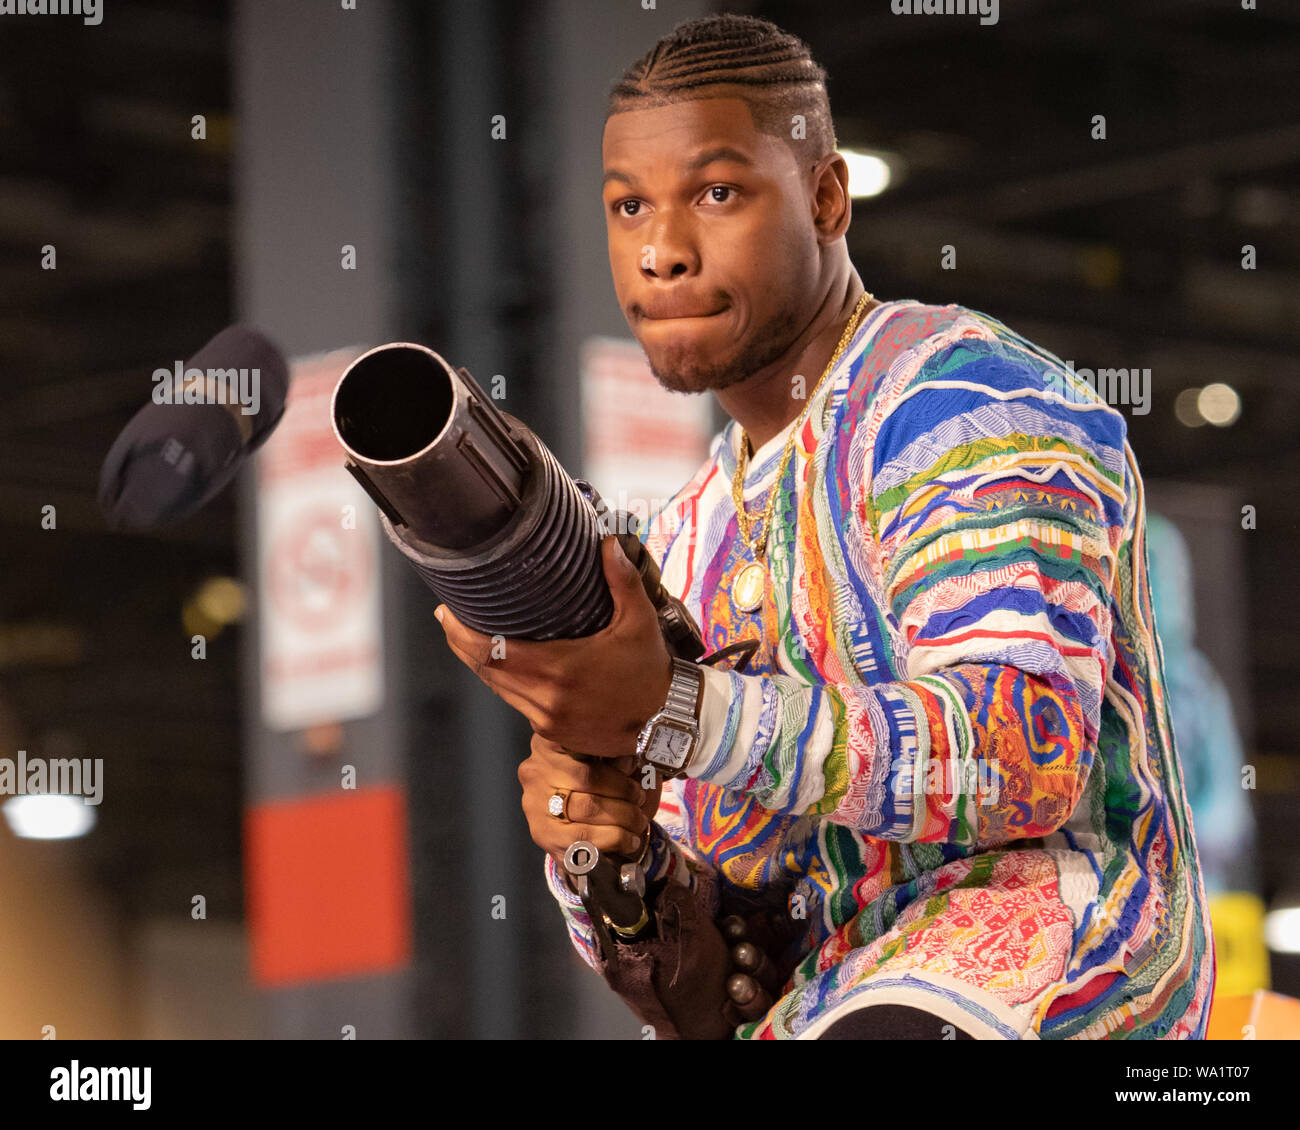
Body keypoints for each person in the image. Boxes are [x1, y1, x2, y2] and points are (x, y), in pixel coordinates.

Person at [435, 13, 1214, 1039]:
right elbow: (736, 917)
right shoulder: (687, 532)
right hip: (828, 995)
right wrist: (612, 846)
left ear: (826, 195)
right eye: (629, 206)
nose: (662, 250)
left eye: (717, 193)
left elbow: (1021, 754)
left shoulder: (961, 400)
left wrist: (676, 707)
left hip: (1050, 957)